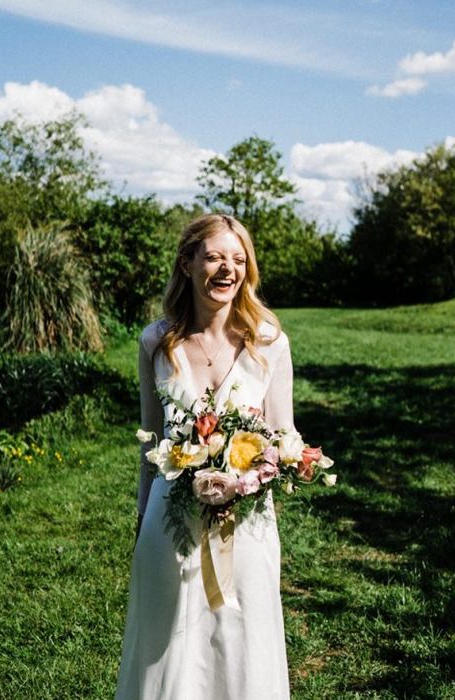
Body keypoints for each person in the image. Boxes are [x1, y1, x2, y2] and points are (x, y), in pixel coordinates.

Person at [115, 214, 294, 700]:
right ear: (188, 262)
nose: (226, 269)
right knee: (165, 644)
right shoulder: (157, 341)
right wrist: (141, 519)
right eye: (214, 256)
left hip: (248, 523)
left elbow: (283, 439)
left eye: (238, 260)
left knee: (241, 640)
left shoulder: (269, 343)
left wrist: (245, 481)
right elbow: (150, 444)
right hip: (168, 520)